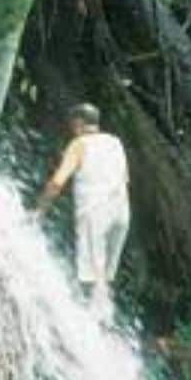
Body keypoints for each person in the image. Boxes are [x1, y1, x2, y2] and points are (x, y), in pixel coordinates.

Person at [34, 103, 131, 321]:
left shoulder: (79, 144)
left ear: (78, 123)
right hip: (121, 213)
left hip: (94, 214)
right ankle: (107, 324)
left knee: (89, 276)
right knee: (105, 277)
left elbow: (58, 181)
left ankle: (89, 329)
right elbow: (125, 179)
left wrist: (39, 210)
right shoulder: (115, 143)